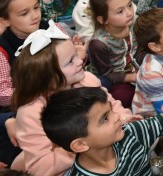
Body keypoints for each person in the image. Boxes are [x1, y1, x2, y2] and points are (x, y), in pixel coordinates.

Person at [9, 21, 132, 176]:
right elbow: (40, 167)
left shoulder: (87, 80)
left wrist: (128, 120)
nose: (80, 61)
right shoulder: (31, 113)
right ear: (49, 77)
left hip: (105, 152)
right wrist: (88, 145)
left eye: (76, 55)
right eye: (70, 61)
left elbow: (113, 106)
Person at [41, 87, 163, 175]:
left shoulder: (130, 133)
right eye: (104, 119)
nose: (116, 117)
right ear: (80, 144)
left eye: (111, 110)